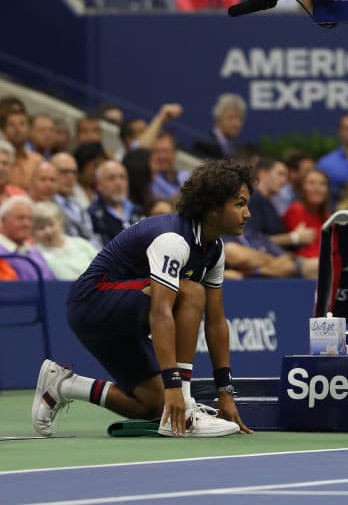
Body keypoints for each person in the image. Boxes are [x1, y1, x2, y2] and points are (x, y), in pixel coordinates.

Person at [32, 159, 254, 438]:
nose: (247, 213)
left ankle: (63, 386)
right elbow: (160, 312)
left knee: (156, 405)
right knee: (191, 292)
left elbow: (216, 322)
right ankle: (184, 407)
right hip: (92, 304)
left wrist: (225, 394)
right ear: (212, 209)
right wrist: (177, 389)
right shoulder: (173, 240)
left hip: (124, 317)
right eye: (239, 204)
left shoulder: (214, 250)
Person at [32, 201, 98, 279]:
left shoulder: (81, 243)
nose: (48, 231)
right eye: (41, 228)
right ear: (33, 232)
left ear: (60, 223)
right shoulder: (36, 256)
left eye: (51, 224)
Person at [87, 159, 145, 245]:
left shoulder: (137, 210)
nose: (118, 183)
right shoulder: (92, 215)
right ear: (98, 185)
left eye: (122, 177)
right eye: (111, 178)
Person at [0, 195, 55, 280]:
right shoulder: (2, 253)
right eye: (20, 218)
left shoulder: (34, 252)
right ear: (3, 220)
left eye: (30, 219)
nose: (26, 224)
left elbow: (54, 282)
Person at [282, 168, 331, 261]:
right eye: (312, 183)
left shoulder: (326, 215)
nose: (317, 188)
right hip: (302, 262)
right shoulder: (296, 210)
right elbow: (304, 251)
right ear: (302, 188)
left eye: (323, 184)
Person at [193, 93, 247, 160]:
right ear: (218, 118)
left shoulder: (240, 149)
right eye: (231, 117)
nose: (236, 123)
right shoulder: (203, 145)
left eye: (240, 118)